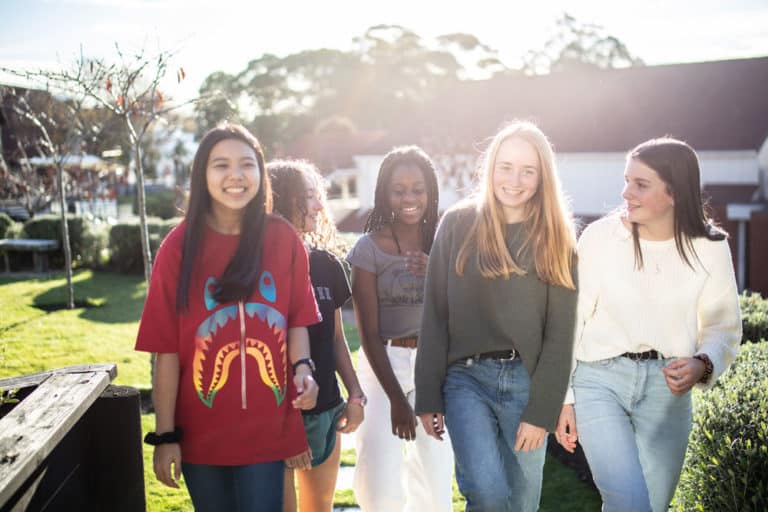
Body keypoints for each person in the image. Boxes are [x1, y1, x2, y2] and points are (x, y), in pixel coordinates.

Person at [135, 123, 321, 511]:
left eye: (246, 165)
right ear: (202, 175)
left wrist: (304, 368)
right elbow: (166, 353)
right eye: (221, 165)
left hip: (268, 430)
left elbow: (295, 320)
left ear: (260, 173)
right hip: (200, 436)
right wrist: (165, 436)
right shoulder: (177, 248)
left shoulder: (282, 238)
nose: (235, 175)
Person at [555, 137, 742, 512]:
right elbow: (568, 320)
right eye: (626, 180)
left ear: (674, 192)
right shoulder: (601, 239)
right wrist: (564, 398)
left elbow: (723, 326)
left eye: (641, 184)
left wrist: (702, 364)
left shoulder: (710, 247)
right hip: (598, 381)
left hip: (668, 392)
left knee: (652, 506)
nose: (626, 192)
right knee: (629, 502)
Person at [415, 121, 578, 512]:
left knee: (521, 503)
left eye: (528, 170)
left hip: (527, 382)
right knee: (487, 494)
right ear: (490, 168)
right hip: (465, 380)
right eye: (505, 166)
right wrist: (427, 394)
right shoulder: (457, 224)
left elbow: (560, 335)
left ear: (543, 176)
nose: (515, 180)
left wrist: (543, 411)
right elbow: (435, 315)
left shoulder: (555, 236)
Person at [347, 145, 454, 511]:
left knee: (435, 483)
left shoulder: (445, 242)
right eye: (399, 189)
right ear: (384, 194)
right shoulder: (368, 249)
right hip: (383, 368)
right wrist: (395, 399)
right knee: (378, 485)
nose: (409, 198)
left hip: (434, 367)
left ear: (431, 192)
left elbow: (462, 314)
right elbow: (368, 332)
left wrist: (437, 274)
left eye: (418, 189)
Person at [267, 159, 365, 512]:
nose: (319, 206)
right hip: (277, 415)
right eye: (308, 196)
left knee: (319, 506)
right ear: (278, 200)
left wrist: (354, 394)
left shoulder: (326, 264)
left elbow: (336, 340)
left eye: (318, 196)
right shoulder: (259, 270)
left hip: (326, 409)